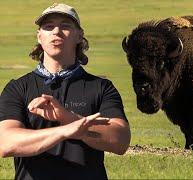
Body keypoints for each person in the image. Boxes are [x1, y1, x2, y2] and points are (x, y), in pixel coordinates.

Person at [0, 3, 130, 180]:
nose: (56, 31)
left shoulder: (101, 87)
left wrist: (67, 117)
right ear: (39, 36)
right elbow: (7, 143)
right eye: (48, 26)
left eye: (65, 26)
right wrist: (66, 130)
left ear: (79, 35)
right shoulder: (18, 88)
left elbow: (120, 141)